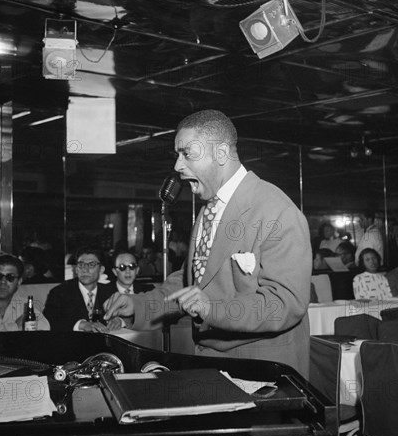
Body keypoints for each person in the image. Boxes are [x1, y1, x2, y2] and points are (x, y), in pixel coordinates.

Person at [104, 109, 312, 378]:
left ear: (222, 153)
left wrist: (212, 309)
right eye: (177, 155)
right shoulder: (209, 209)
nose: (178, 166)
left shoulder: (277, 210)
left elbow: (285, 304)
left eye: (187, 153)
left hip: (262, 371)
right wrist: (139, 306)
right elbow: (193, 283)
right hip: (214, 367)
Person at [0, 253, 50, 332]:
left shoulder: (25, 305)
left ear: (19, 282)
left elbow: (44, 327)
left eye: (10, 277)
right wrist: (15, 326)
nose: (3, 281)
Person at [43, 246, 115, 332]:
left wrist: (119, 321)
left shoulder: (110, 292)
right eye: (81, 265)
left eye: (91, 265)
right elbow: (49, 320)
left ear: (101, 269)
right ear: (76, 269)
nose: (85, 269)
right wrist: (82, 325)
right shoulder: (59, 292)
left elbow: (126, 317)